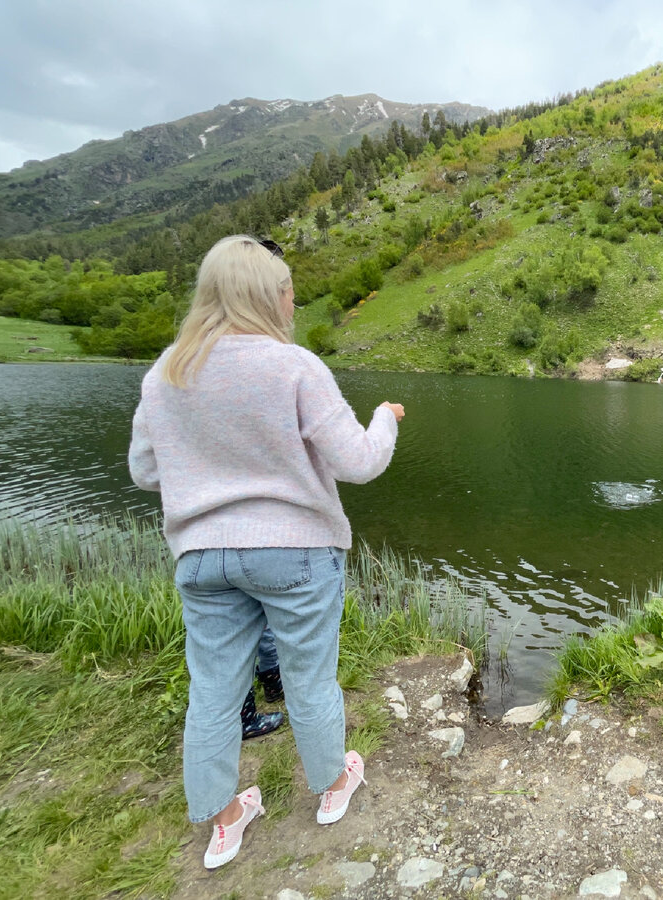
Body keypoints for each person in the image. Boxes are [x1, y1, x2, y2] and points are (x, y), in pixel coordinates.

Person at [128, 234, 405, 869]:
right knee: (308, 677)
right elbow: (359, 463)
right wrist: (385, 418)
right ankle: (333, 788)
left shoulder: (166, 370)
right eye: (287, 290)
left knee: (214, 689)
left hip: (202, 557)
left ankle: (224, 821)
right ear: (265, 295)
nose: (292, 301)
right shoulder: (295, 366)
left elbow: (146, 470)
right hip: (296, 552)